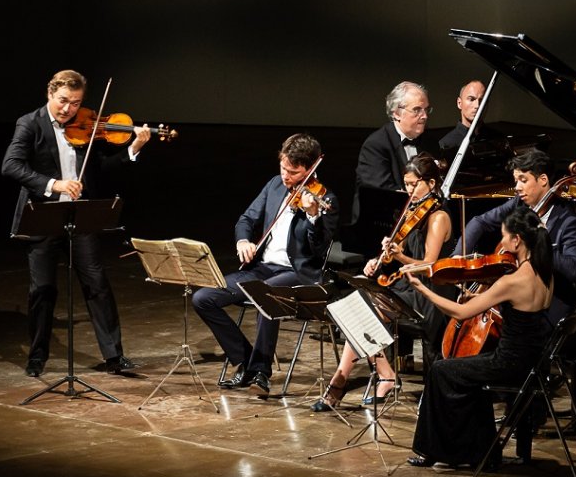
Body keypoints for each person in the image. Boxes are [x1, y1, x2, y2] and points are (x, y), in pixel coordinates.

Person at [1, 69, 151, 377]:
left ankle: (114, 356)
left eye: (76, 102)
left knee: (97, 284)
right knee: (42, 289)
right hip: (43, 214)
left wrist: (132, 149)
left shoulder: (86, 125)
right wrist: (53, 184)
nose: (69, 109)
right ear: (50, 94)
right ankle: (37, 356)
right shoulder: (30, 123)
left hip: (80, 215)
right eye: (63, 101)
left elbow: (101, 168)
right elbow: (11, 165)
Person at [404, 206, 553, 469]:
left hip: (508, 363)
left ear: (517, 240)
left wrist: (423, 290)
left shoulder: (514, 280)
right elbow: (520, 312)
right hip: (533, 362)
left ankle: (437, 450)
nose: (502, 243)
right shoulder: (544, 273)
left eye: (505, 237)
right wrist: (479, 297)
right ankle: (480, 450)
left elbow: (460, 313)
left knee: (441, 369)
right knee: (464, 375)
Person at [192, 133, 339, 394]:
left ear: (312, 167)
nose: (286, 176)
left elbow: (319, 250)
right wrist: (243, 242)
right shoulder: (274, 185)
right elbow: (245, 220)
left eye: (293, 172)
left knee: (265, 295)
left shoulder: (325, 200)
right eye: (283, 168)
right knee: (203, 297)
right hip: (262, 268)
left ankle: (261, 371)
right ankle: (246, 360)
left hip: (298, 273)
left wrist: (313, 215)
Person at [311, 153, 453, 412]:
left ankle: (346, 382)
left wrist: (398, 255)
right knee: (354, 306)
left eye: (413, 184)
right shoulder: (411, 211)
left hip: (428, 293)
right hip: (405, 285)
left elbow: (429, 265)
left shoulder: (438, 217)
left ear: (431, 184)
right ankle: (380, 374)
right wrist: (380, 259)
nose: (408, 190)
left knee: (363, 310)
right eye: (406, 184)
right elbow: (399, 257)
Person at [454, 148, 576, 324]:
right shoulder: (518, 205)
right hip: (515, 295)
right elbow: (479, 222)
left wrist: (539, 244)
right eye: (516, 181)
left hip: (548, 302)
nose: (517, 188)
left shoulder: (568, 222)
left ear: (543, 180)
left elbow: (575, 269)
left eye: (523, 180)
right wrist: (458, 255)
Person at [352, 81, 434, 223]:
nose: (424, 116)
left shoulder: (430, 143)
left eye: (426, 109)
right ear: (396, 113)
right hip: (381, 225)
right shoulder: (375, 145)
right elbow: (384, 193)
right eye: (417, 110)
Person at [438, 79, 505, 151]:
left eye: (482, 100)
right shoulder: (446, 144)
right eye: (471, 99)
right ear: (459, 103)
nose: (477, 105)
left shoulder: (498, 138)